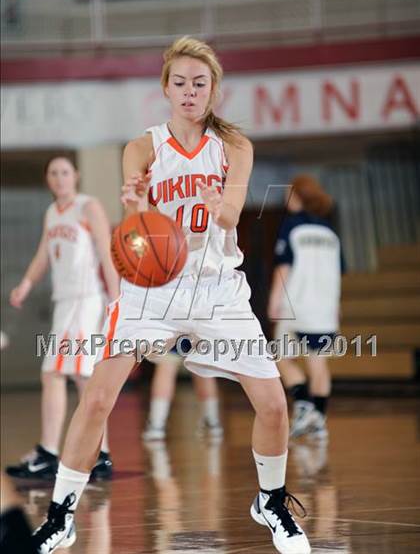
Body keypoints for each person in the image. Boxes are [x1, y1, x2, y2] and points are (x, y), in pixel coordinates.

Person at [33, 37, 311, 554]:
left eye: (199, 83)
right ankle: (60, 516)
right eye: (179, 83)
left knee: (274, 406)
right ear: (165, 88)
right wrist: (137, 206)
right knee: (96, 399)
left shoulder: (235, 148)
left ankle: (269, 501)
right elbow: (136, 230)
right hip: (151, 291)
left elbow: (228, 219)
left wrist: (217, 201)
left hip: (216, 289)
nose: (189, 91)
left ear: (213, 91)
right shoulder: (141, 148)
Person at [6, 156, 120, 482]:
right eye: (53, 172)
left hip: (86, 302)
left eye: (65, 172)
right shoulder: (51, 212)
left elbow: (106, 251)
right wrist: (25, 285)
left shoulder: (88, 207)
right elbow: (43, 254)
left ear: (76, 176)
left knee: (63, 375)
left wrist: (116, 300)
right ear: (47, 179)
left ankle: (62, 453)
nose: (59, 178)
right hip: (65, 303)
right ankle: (89, 454)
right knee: (70, 377)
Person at [268, 175, 344, 441]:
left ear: (298, 195)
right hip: (324, 308)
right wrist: (336, 306)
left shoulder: (292, 227)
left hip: (297, 305)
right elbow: (337, 272)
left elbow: (283, 267)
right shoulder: (330, 232)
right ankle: (319, 420)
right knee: (319, 364)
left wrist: (274, 300)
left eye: (288, 193)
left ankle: (303, 406)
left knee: (281, 357)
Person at [143, 340, 223, 441]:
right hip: (199, 328)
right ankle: (212, 422)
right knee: (203, 369)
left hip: (174, 327)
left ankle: (156, 425)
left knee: (166, 365)